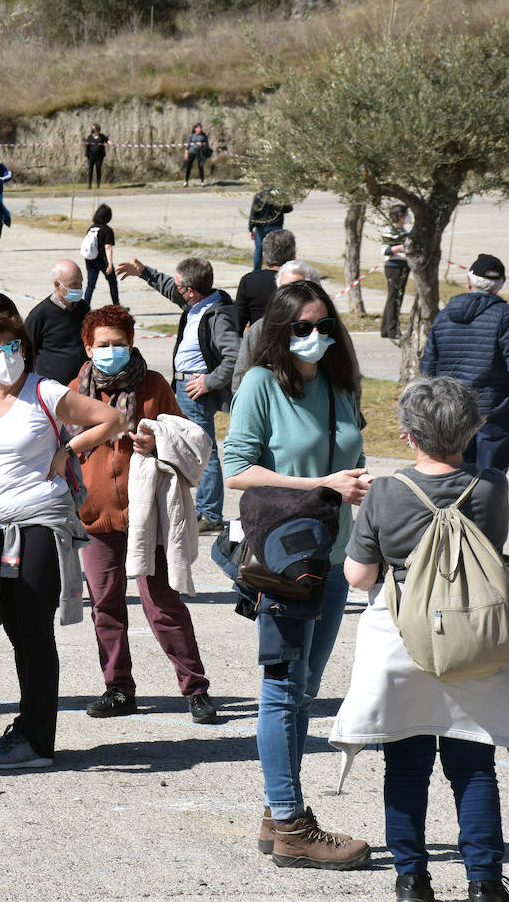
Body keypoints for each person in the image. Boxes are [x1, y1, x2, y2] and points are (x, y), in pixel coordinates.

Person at [336, 376, 509, 902]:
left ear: (409, 434)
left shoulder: (387, 492)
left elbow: (359, 577)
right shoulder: (494, 486)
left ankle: (412, 878)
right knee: (474, 766)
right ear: (471, 431)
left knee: (406, 766)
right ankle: (485, 881)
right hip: (476, 640)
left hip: (404, 642)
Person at [222, 279, 370, 870]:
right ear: (281, 332)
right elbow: (235, 469)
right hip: (284, 565)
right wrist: (321, 485)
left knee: (305, 688)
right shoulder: (261, 383)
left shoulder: (338, 385)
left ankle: (275, 811)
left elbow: (350, 463)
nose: (315, 337)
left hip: (332, 562)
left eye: (324, 327)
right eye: (302, 328)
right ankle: (290, 823)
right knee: (283, 689)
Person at [0, 312, 126, 768]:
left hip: (39, 524)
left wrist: (66, 450)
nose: (4, 357)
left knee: (33, 629)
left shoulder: (45, 392)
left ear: (25, 349)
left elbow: (112, 419)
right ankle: (27, 727)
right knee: (13, 627)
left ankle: (37, 742)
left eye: (12, 346)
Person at [72, 305, 218, 725]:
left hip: (148, 516)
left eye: (119, 343)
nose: (112, 350)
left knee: (164, 604)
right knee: (105, 606)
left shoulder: (154, 385)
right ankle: (118, 688)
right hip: (96, 517)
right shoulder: (76, 390)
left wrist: (156, 445)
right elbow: (62, 445)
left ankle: (196, 689)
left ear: (132, 343)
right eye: (103, 344)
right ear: (88, 346)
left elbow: (187, 440)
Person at [116, 255, 238, 534]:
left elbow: (234, 356)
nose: (177, 289)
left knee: (201, 448)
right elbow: (170, 287)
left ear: (192, 290)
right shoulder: (198, 302)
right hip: (182, 386)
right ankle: (203, 508)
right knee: (188, 444)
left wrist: (210, 382)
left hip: (195, 389)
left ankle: (209, 512)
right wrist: (144, 272)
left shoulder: (217, 315)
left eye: (181, 286)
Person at [420, 253, 509, 471]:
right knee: (489, 482)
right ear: (500, 284)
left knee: (455, 478)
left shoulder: (444, 315)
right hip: (494, 414)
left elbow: (428, 367)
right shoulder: (504, 315)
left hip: (450, 413)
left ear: (469, 280)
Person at [233, 259, 321, 393]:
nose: (289, 296)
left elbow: (349, 376)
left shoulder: (327, 327)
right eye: (283, 290)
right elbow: (239, 380)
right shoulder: (261, 329)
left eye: (297, 289)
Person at [25, 259, 90, 385]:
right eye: (73, 285)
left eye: (81, 284)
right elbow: (26, 352)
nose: (79, 289)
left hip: (82, 384)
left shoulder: (84, 308)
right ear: (57, 285)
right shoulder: (39, 315)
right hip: (52, 388)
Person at [236, 229, 296, 332]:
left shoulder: (249, 281)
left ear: (264, 255)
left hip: (259, 342)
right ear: (293, 256)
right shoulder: (301, 282)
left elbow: (238, 323)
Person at [381, 204, 412, 341]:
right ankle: (393, 330)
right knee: (395, 298)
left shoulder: (403, 230)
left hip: (404, 266)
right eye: (405, 214)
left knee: (394, 297)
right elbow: (385, 250)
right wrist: (400, 248)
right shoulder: (390, 230)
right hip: (394, 267)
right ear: (400, 216)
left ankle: (385, 329)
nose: (407, 217)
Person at [248, 189, 293, 272]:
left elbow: (254, 212)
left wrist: (251, 228)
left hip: (262, 227)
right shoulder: (280, 195)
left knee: (259, 249)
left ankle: (257, 270)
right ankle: (279, 269)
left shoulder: (259, 196)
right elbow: (289, 208)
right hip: (276, 226)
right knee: (278, 249)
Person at [83, 204, 118, 307]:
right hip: (103, 261)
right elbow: (108, 247)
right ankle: (116, 305)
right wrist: (110, 264)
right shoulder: (107, 230)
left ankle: (85, 306)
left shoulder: (91, 228)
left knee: (90, 285)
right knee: (112, 283)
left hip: (90, 260)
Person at [184, 123, 210, 187]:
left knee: (200, 167)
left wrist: (203, 145)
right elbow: (188, 145)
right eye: (198, 128)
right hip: (192, 152)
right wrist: (186, 153)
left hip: (200, 153)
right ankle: (186, 181)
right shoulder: (191, 135)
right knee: (188, 167)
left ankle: (202, 182)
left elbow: (207, 145)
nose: (199, 129)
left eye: (200, 128)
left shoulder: (204, 136)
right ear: (195, 129)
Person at [85, 124, 109, 189]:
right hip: (91, 156)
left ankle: (98, 185)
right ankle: (89, 185)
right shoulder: (90, 137)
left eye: (93, 128)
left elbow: (107, 140)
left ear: (97, 129)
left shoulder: (102, 136)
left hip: (99, 156)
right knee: (90, 170)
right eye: (92, 128)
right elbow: (86, 144)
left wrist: (110, 142)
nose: (92, 130)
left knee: (98, 170)